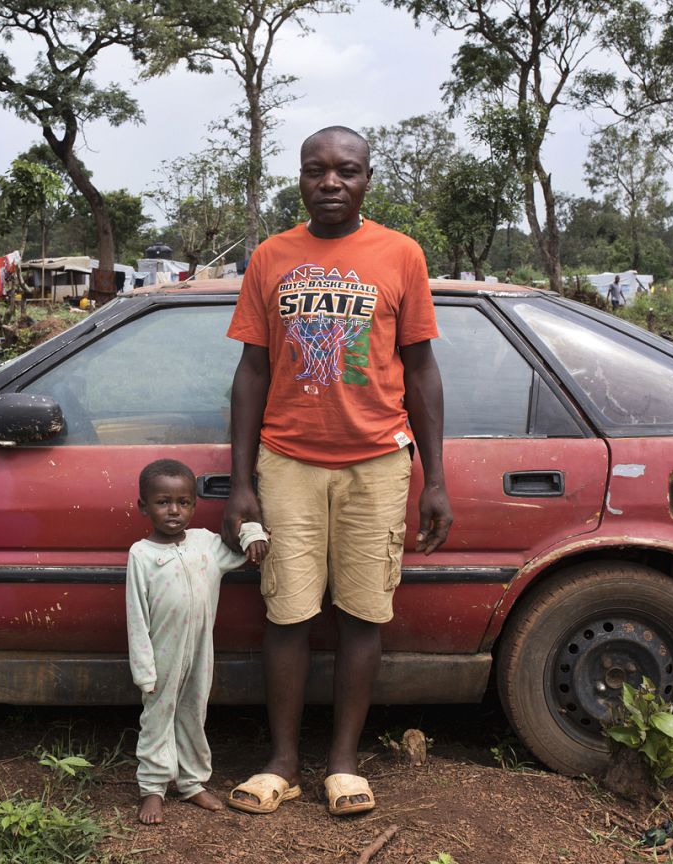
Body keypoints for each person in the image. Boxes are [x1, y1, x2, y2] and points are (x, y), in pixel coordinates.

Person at [223, 125, 452, 818]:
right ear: (299, 178)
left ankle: (344, 764)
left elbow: (420, 370)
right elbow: (251, 371)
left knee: (361, 613)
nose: (331, 182)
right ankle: (283, 763)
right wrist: (240, 481)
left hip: (378, 464)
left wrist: (434, 477)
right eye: (317, 170)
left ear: (366, 180)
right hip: (287, 461)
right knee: (287, 614)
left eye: (346, 171)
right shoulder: (272, 256)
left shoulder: (400, 255)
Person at [127, 459, 269, 825]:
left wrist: (254, 534)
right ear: (144, 506)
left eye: (183, 502)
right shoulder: (141, 555)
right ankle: (153, 787)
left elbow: (242, 547)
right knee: (158, 718)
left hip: (200, 651)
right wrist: (144, 669)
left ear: (194, 504)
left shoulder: (206, 544)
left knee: (193, 714)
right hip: (162, 655)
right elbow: (136, 617)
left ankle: (191, 783)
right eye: (163, 502)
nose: (174, 511)